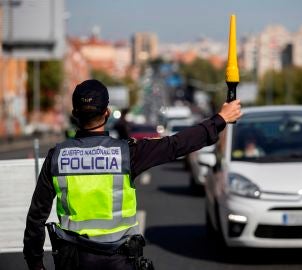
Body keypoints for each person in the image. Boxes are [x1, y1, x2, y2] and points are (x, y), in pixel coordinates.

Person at [23, 79, 242, 270]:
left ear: (74, 114)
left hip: (73, 261)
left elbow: (37, 215)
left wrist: (35, 262)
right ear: (107, 113)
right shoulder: (127, 153)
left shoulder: (57, 157)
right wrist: (220, 119)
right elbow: (177, 144)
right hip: (119, 261)